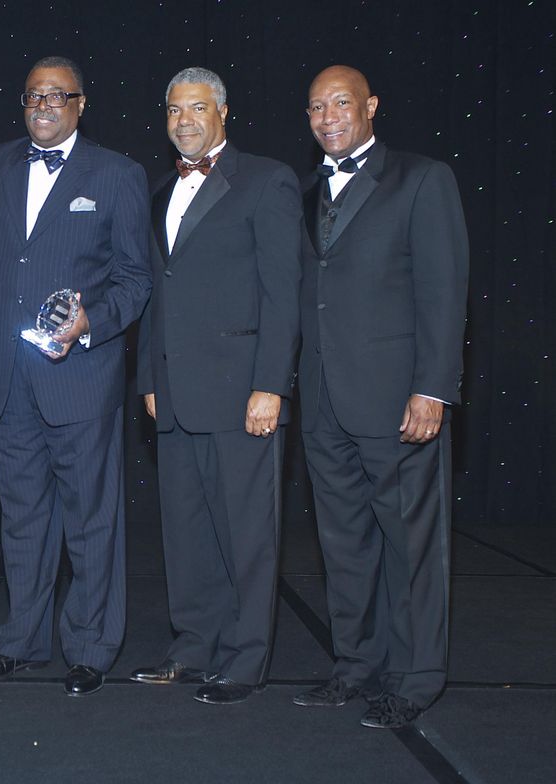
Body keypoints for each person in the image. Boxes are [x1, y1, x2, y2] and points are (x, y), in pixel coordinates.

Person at [0, 56, 151, 697]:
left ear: (80, 104)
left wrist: (90, 323)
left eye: (56, 95)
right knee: (22, 519)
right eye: (33, 95)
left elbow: (135, 279)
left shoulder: (117, 173)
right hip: (7, 380)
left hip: (81, 377)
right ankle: (22, 640)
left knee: (91, 520)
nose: (43, 105)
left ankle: (91, 647)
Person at [293, 65, 468, 728]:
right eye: (316, 108)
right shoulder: (306, 190)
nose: (328, 117)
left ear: (370, 105)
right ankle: (355, 667)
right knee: (342, 543)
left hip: (399, 401)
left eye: (340, 103)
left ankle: (416, 678)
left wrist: (432, 389)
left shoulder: (423, 179)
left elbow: (444, 293)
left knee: (411, 546)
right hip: (324, 401)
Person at [132, 67, 302, 705]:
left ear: (223, 112)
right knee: (186, 531)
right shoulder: (159, 190)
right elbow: (156, 294)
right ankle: (193, 646)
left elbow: (283, 292)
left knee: (247, 536)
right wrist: (149, 376)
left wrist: (271, 384)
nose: (184, 121)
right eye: (175, 110)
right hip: (174, 394)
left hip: (241, 394)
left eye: (197, 108)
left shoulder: (267, 179)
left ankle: (245, 659)